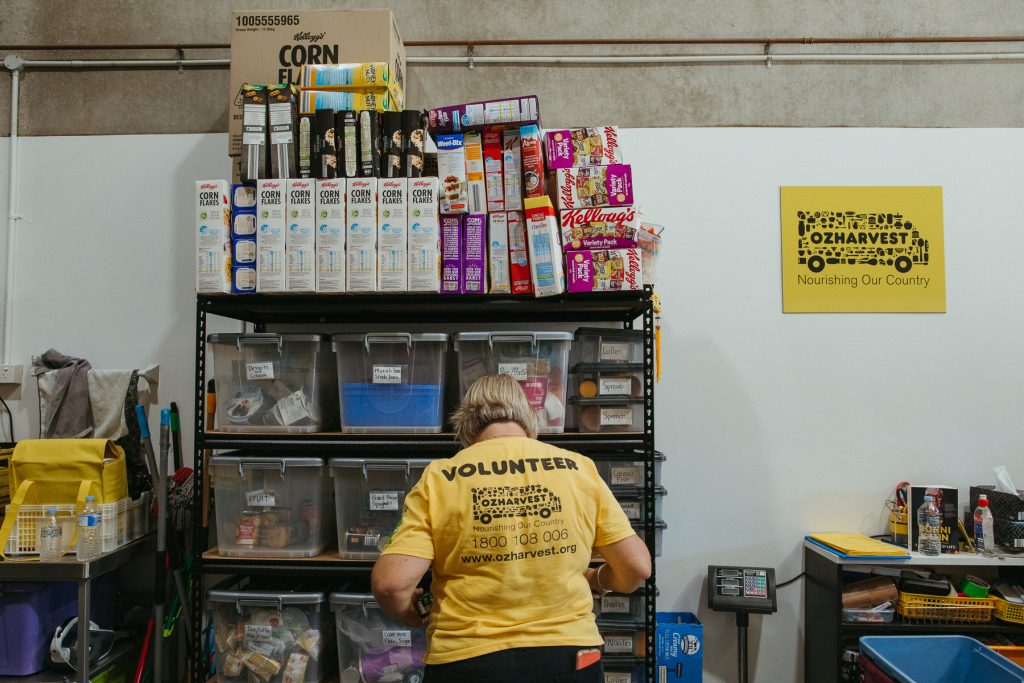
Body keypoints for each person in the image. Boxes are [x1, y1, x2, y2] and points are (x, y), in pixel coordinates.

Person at [372, 374, 652, 682]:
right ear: (530, 419)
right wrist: (598, 579)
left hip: (466, 659)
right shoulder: (577, 468)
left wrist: (411, 614)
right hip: (569, 656)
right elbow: (636, 568)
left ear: (466, 425)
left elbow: (391, 585)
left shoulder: (440, 478)